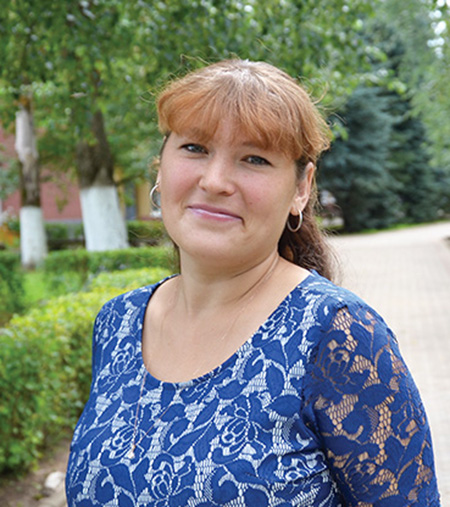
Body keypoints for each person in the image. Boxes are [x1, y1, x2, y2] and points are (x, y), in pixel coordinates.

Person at [66, 59, 440, 506]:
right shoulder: (119, 323)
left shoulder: (338, 337)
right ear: (159, 168)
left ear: (301, 188)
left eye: (255, 159)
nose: (215, 181)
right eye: (194, 148)